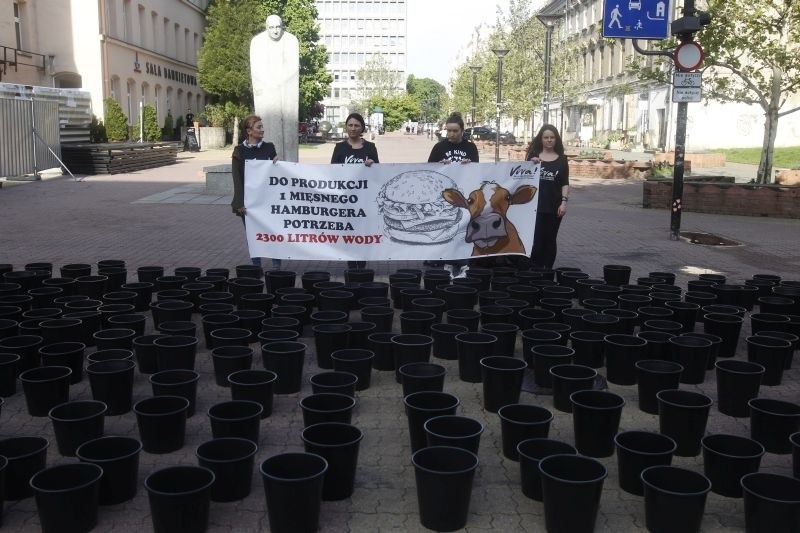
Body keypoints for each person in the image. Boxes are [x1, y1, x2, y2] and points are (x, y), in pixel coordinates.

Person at [426, 112, 479, 278]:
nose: (451, 134)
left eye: (455, 131)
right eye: (448, 130)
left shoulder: (470, 147)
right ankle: (448, 263)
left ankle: (463, 263)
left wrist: (470, 165)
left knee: (464, 229)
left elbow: (478, 170)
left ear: (462, 131)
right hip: (445, 198)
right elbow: (429, 169)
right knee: (449, 227)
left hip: (465, 196)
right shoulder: (439, 147)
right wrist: (439, 165)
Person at [231, 115, 282, 270]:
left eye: (262, 126)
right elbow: (237, 178)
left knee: (273, 232)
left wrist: (278, 163)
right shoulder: (239, 151)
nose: (262, 129)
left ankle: (276, 267)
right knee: (253, 235)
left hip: (268, 200)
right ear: (249, 131)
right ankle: (256, 267)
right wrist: (240, 203)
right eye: (258, 127)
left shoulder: (269, 147)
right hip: (249, 202)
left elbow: (278, 173)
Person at [331, 112, 379, 270]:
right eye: (350, 125)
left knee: (363, 231)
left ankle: (362, 265)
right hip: (346, 201)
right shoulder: (339, 148)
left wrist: (373, 164)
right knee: (349, 232)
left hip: (365, 200)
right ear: (346, 127)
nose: (353, 128)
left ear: (362, 128)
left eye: (356, 125)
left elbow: (379, 173)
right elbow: (332, 172)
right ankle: (351, 265)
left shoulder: (371, 147)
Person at [525, 124, 570, 270]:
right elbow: (522, 177)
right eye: (546, 137)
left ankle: (548, 270)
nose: (549, 140)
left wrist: (564, 202)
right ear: (541, 139)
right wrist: (530, 163)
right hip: (535, 207)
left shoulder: (562, 160)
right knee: (537, 239)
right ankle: (536, 269)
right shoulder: (534, 157)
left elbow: (565, 183)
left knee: (550, 239)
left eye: (552, 137)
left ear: (556, 140)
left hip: (554, 206)